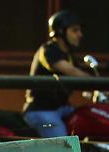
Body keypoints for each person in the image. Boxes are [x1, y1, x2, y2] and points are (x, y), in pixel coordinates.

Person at [22, 10, 89, 138]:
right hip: (42, 110)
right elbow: (73, 72)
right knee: (62, 147)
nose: (80, 34)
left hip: (61, 108)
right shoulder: (48, 51)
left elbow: (82, 75)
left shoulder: (68, 55)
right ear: (61, 32)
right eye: (75, 30)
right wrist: (104, 87)